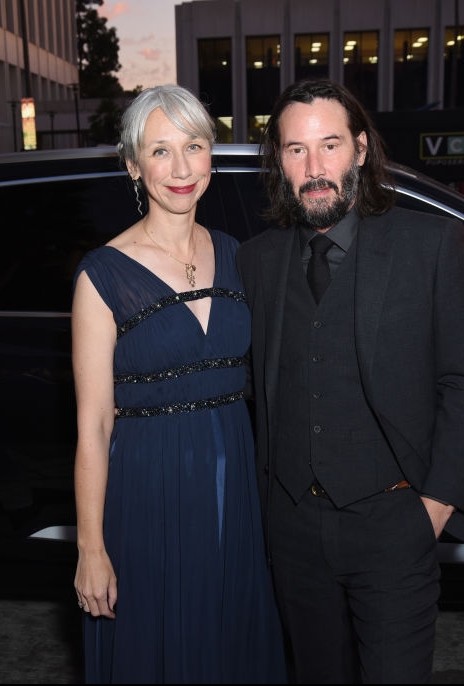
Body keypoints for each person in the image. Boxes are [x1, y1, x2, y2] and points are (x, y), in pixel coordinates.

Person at [235, 78, 464, 683]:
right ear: (279, 161)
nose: (314, 165)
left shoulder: (428, 245)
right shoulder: (257, 261)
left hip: (394, 525)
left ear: (361, 149)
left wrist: (435, 505)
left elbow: (463, 382)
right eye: (296, 150)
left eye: (330, 145)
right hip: (292, 529)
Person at [71, 84, 287, 684]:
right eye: (159, 151)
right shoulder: (102, 275)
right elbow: (92, 424)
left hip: (236, 483)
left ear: (210, 155)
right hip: (150, 487)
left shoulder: (235, 253)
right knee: (159, 645)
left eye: (193, 145)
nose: (181, 167)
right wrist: (91, 549)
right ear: (133, 164)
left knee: (230, 637)